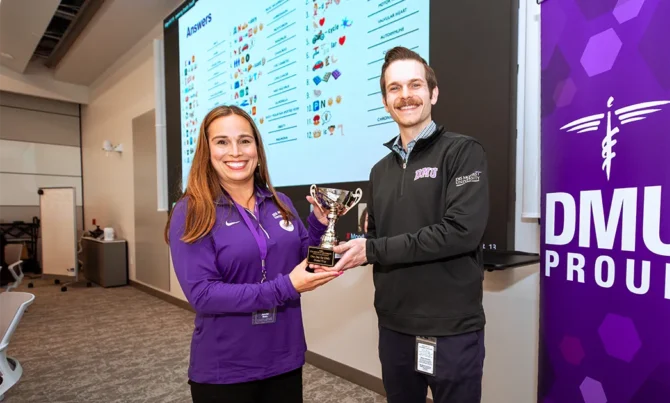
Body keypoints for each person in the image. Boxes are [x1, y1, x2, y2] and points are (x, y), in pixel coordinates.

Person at [311, 46, 490, 402]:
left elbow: (461, 233)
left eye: (415, 85)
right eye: (395, 88)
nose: (405, 95)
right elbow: (377, 238)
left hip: (451, 327)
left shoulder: (463, 152)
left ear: (433, 93)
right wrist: (345, 243)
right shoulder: (379, 172)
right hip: (394, 327)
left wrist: (372, 248)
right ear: (384, 100)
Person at [165, 105, 341, 403]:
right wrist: (285, 287)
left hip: (284, 357)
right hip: (227, 368)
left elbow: (303, 258)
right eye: (222, 142)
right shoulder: (191, 210)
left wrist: (319, 224)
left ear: (257, 148)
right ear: (206, 151)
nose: (236, 151)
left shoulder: (279, 201)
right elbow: (203, 294)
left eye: (245, 141)